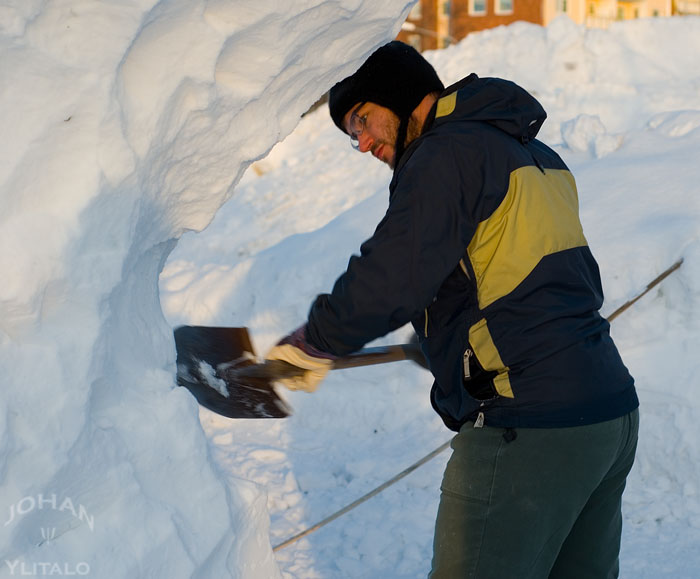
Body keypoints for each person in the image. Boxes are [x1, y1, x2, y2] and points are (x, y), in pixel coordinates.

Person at [266, 41, 639, 578]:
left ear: (397, 94)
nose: (364, 143)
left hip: (529, 427)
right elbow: (542, 284)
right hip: (607, 419)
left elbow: (394, 272)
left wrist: (317, 339)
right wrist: (449, 337)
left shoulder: (445, 153)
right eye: (353, 136)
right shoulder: (533, 155)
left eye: (362, 119)